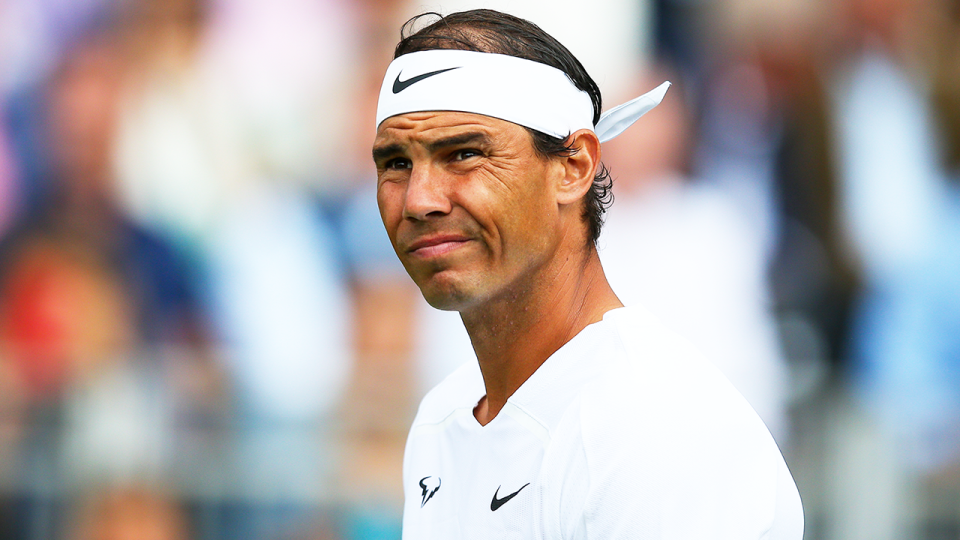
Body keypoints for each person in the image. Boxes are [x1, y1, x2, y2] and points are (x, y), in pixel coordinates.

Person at [371, 9, 804, 539]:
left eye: (464, 153)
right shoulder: (442, 419)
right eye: (394, 163)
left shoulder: (659, 429)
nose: (419, 200)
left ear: (573, 168)